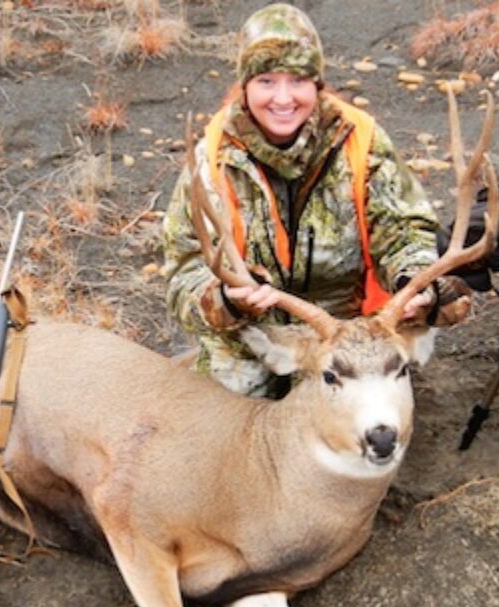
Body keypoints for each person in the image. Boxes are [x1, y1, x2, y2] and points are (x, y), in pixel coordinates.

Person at [162, 3, 471, 398]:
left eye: (298, 80)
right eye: (267, 81)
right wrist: (226, 299)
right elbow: (183, 274)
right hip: (251, 334)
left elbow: (404, 233)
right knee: (221, 425)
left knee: (361, 437)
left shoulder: (361, 141)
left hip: (346, 332)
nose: (283, 98)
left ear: (318, 85)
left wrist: (415, 281)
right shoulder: (212, 159)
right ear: (245, 87)